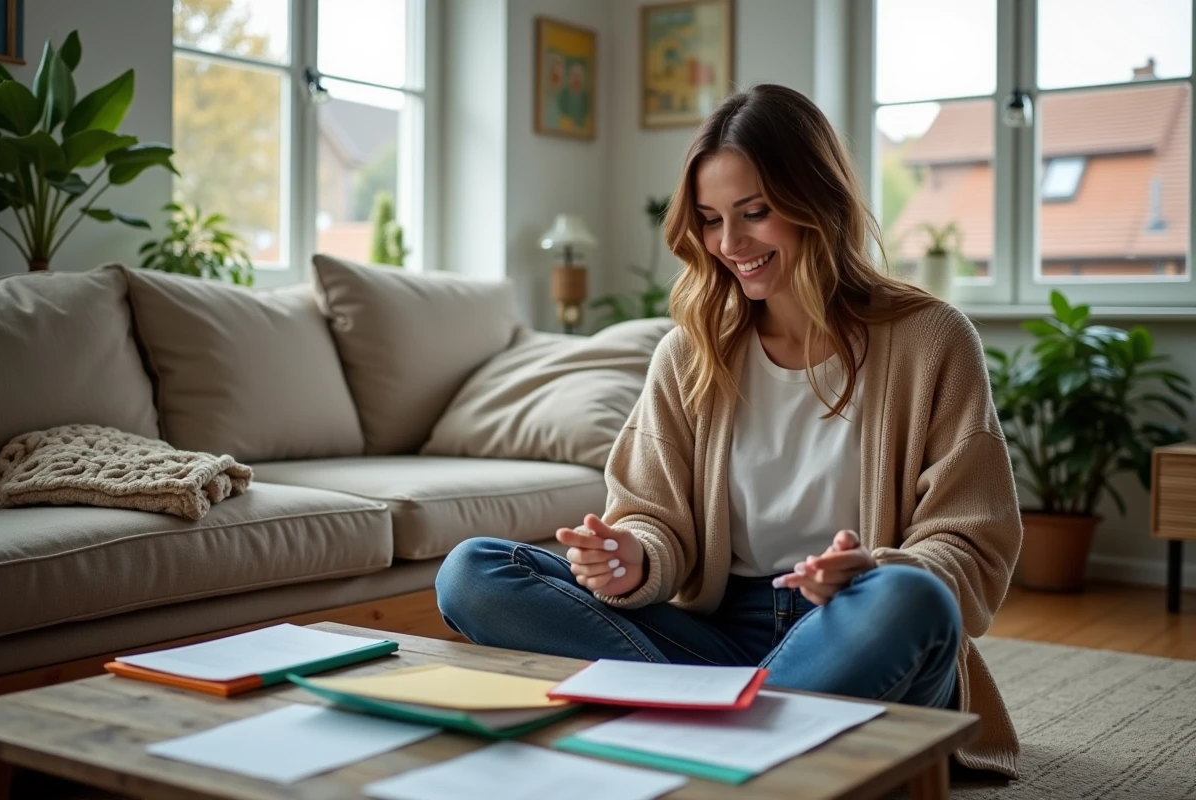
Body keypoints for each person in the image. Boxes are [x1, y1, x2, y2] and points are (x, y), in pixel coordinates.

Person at [436, 84, 1022, 777]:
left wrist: (874, 571)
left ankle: (695, 721)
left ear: (819, 202)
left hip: (851, 628)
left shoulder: (931, 340)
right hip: (714, 635)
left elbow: (969, 540)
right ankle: (757, 731)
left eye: (756, 213)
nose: (730, 243)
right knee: (472, 571)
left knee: (911, 597)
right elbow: (653, 520)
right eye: (712, 220)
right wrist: (632, 557)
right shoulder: (690, 352)